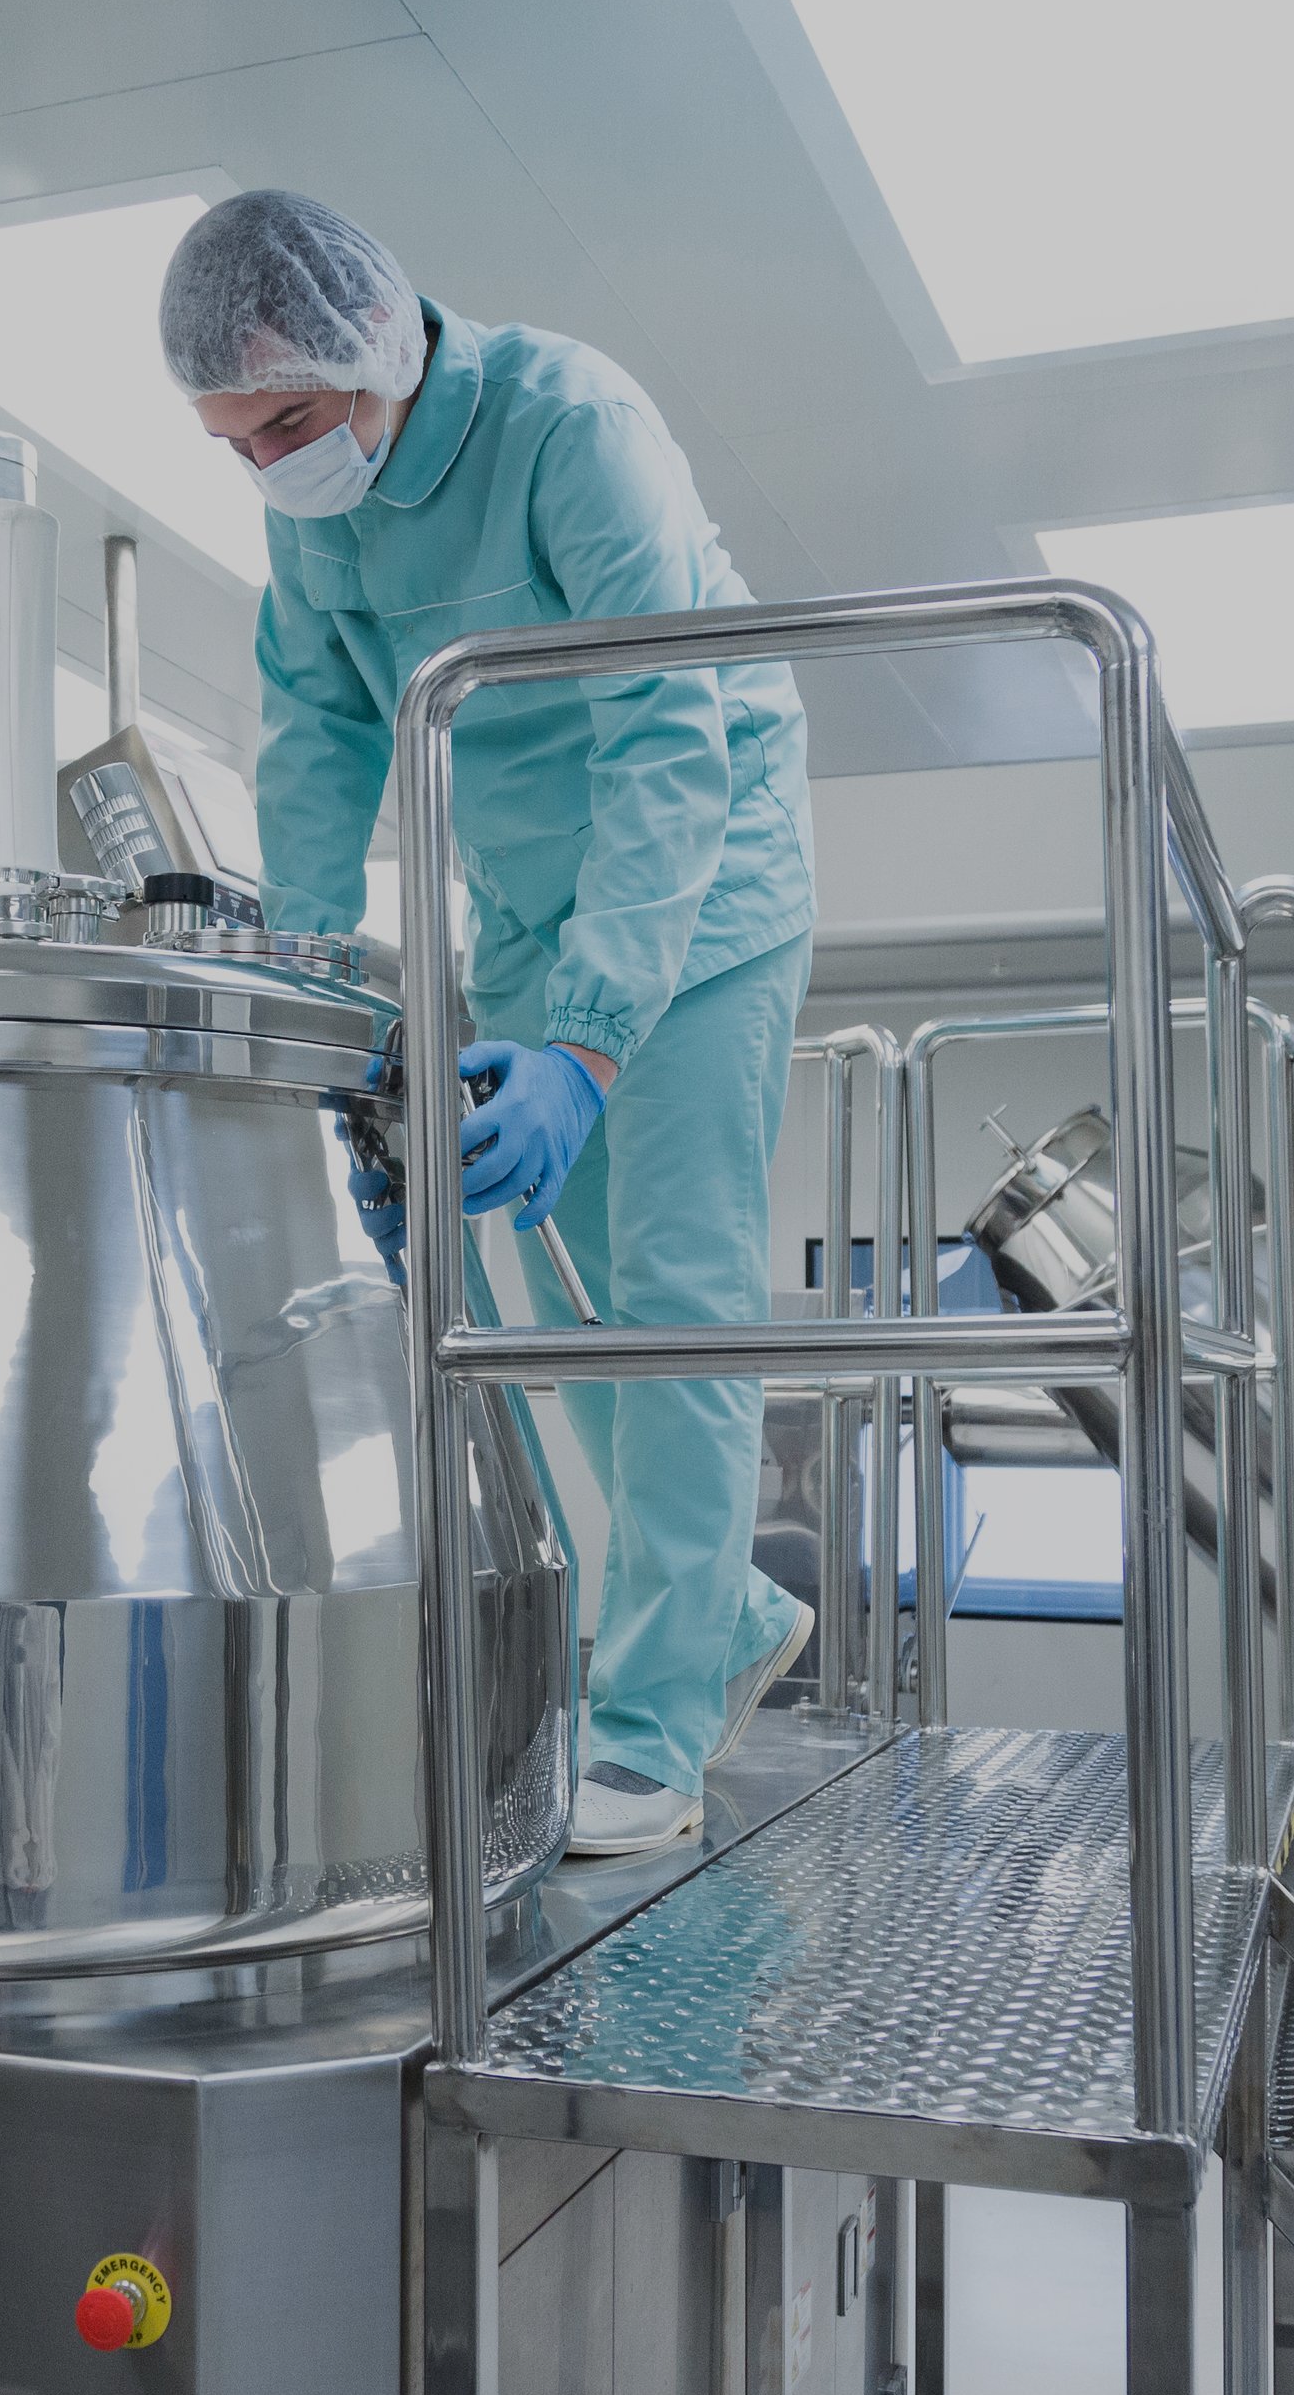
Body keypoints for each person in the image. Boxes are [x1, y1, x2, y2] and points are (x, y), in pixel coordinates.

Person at [160, 189, 819, 1859]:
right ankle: (723, 1610)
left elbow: (669, 734)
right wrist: (315, 994)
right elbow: (314, 736)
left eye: (290, 422)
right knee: (545, 1303)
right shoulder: (316, 508)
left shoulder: (572, 427)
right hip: (523, 903)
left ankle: (659, 1723)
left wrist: (592, 1041)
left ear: (375, 347)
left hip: (703, 884)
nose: (272, 467)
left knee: (667, 1306)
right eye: (237, 445)